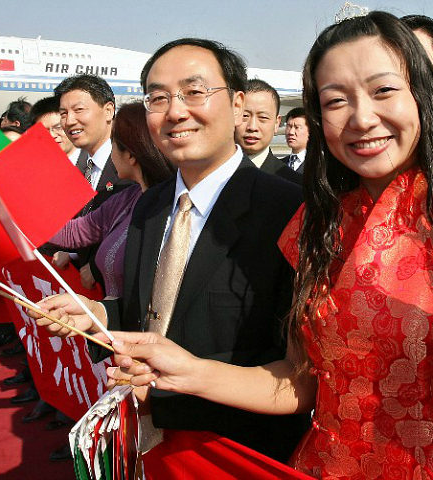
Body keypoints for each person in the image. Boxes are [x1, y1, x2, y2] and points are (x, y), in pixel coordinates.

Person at [102, 11, 433, 479]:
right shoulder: (317, 224)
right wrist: (186, 371)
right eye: (335, 100)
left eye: (383, 91)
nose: (361, 118)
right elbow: (302, 382)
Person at [32, 38, 308, 462]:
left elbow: (296, 369)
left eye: (195, 92)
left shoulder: (288, 210)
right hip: (149, 445)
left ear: (236, 104)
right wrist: (95, 314)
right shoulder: (150, 204)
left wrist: (165, 389)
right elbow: (152, 310)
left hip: (233, 450)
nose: (176, 111)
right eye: (158, 98)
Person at [47, 101, 175, 298]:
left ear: (131, 155)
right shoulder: (126, 199)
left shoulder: (173, 207)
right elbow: (75, 232)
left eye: (113, 144)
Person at [55, 74, 133, 291]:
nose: (69, 121)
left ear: (109, 110)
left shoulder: (129, 167)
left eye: (79, 110)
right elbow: (82, 228)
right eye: (64, 113)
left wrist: (97, 267)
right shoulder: (78, 167)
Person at [235, 79, 301, 184]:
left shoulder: (295, 185)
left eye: (263, 117)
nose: (252, 127)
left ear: (276, 123)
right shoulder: (208, 175)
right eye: (245, 116)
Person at [29, 96, 81, 165]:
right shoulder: (36, 166)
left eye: (58, 127)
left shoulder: (93, 164)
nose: (52, 135)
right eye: (44, 131)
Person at [280, 107, 309, 173]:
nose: (291, 132)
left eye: (297, 127)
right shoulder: (278, 165)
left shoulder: (320, 166)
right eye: (289, 126)